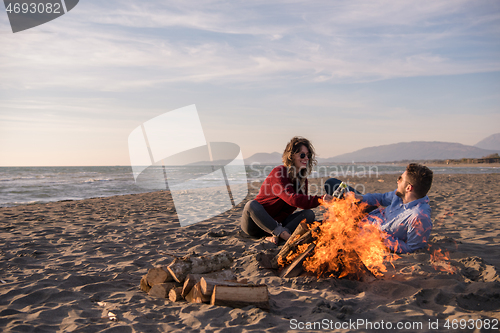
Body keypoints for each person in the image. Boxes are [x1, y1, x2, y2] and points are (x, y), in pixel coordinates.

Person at [241, 137, 333, 245]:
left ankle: (277, 236)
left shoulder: (302, 180)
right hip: (256, 223)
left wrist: (326, 201)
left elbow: (303, 204)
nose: (306, 158)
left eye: (308, 155)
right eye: (302, 155)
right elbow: (291, 198)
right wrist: (320, 199)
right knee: (251, 205)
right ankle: (284, 235)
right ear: (291, 155)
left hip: (279, 224)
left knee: (308, 214)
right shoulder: (279, 173)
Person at [325, 163, 434, 254]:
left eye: (400, 179)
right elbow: (382, 198)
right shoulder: (400, 195)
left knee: (325, 230)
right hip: (369, 214)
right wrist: (361, 198)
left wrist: (382, 237)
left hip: (368, 233)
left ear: (408, 188)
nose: (398, 181)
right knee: (332, 184)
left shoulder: (419, 217)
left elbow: (412, 248)